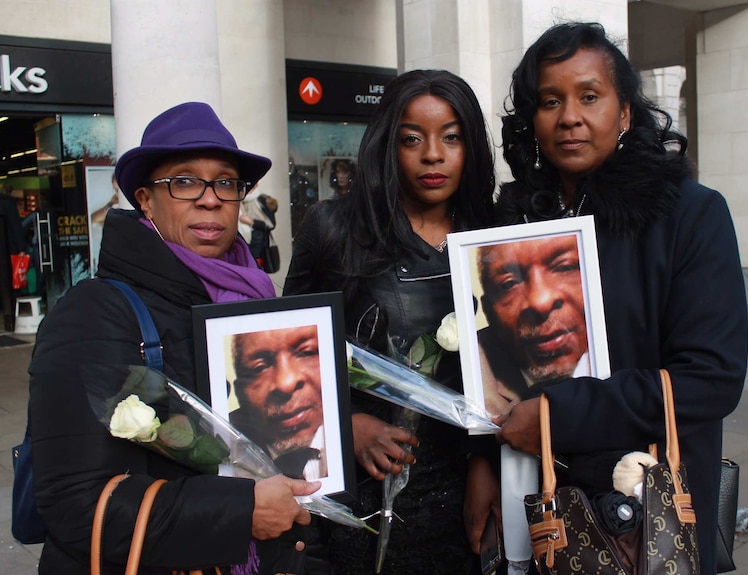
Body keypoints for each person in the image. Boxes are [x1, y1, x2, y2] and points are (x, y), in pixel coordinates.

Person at [488, 23, 748, 575]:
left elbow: (712, 378)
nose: (569, 117)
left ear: (625, 112)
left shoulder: (689, 214)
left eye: (589, 96)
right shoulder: (512, 220)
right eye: (549, 101)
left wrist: (559, 414)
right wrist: (480, 467)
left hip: (644, 515)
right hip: (530, 499)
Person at [28, 102, 320, 575]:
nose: (210, 199)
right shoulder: (95, 313)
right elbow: (74, 505)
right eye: (184, 181)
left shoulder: (255, 298)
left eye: (225, 182)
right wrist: (240, 512)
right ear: (144, 199)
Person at [283, 69, 496, 574]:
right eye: (412, 139)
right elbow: (290, 352)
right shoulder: (333, 229)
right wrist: (346, 426)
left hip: (463, 487)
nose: (433, 155)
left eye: (451, 137)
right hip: (357, 494)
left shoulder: (493, 232)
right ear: (386, 145)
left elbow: (511, 372)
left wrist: (486, 460)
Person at [476, 234, 589, 417]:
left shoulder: (627, 351)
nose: (540, 302)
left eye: (565, 267)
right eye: (508, 284)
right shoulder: (477, 382)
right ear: (488, 310)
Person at [230, 325, 328, 479]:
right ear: (239, 391)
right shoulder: (230, 458)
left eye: (306, 353)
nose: (285, 383)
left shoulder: (356, 435)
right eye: (259, 368)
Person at [238, 187, 279, 269]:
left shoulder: (263, 200)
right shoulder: (237, 199)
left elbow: (270, 224)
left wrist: (251, 222)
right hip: (243, 237)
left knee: (255, 267)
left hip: (258, 239)